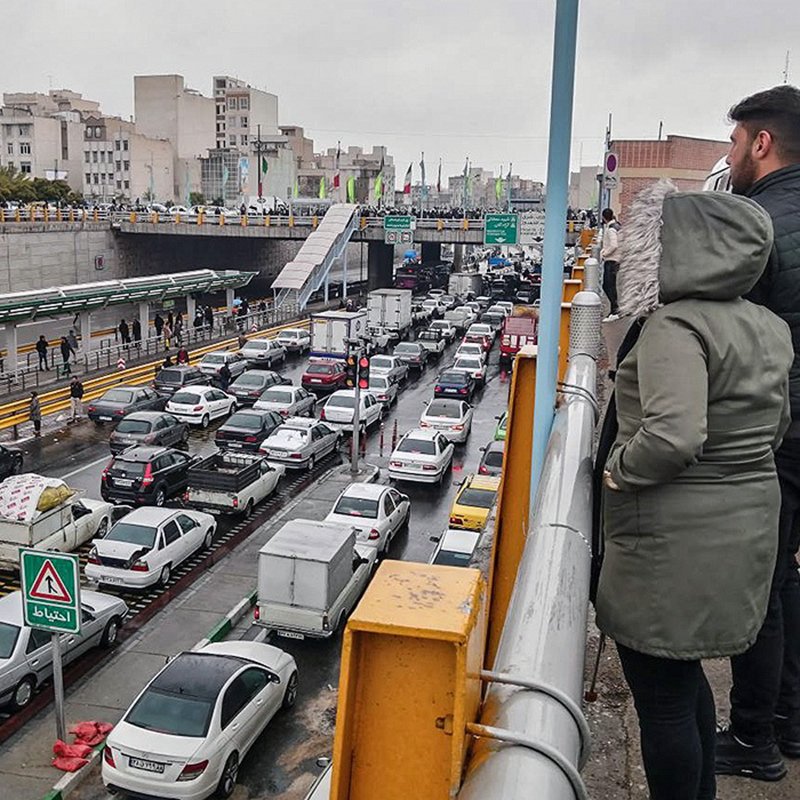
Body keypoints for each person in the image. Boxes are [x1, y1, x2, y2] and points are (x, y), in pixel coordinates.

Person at [595, 180, 793, 800]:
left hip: (669, 546)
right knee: (686, 687)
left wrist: (618, 468)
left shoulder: (674, 327)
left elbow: (674, 436)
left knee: (663, 701)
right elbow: (777, 427)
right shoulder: (768, 325)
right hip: (745, 529)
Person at [716, 84, 800, 780]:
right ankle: (789, 723)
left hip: (778, 433)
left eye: (736, 141)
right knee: (789, 579)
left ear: (762, 143)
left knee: (759, 586)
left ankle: (753, 740)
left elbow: (732, 336)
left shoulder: (757, 224)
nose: (731, 154)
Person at [600, 208, 621, 321]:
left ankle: (615, 309)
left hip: (611, 260)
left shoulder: (611, 229)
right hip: (616, 259)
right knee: (611, 285)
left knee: (607, 285)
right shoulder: (617, 226)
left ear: (604, 218)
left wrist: (604, 253)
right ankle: (614, 309)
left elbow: (614, 245)